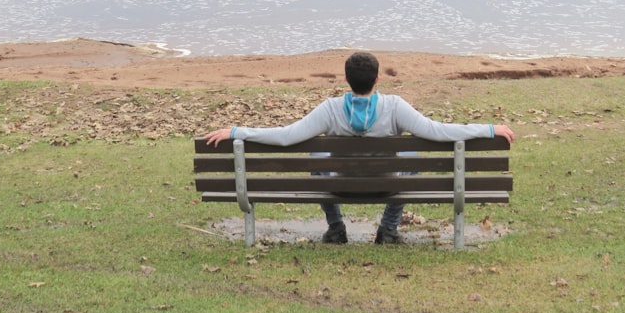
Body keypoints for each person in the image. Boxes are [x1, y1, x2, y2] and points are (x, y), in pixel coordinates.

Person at [203, 51, 515, 245]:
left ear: (346, 79)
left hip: (338, 186)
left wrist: (236, 131)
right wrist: (488, 129)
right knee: (410, 154)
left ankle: (336, 227)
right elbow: (437, 131)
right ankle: (389, 228)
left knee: (316, 155)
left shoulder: (330, 109)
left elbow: (286, 136)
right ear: (377, 78)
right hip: (387, 188)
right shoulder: (394, 107)